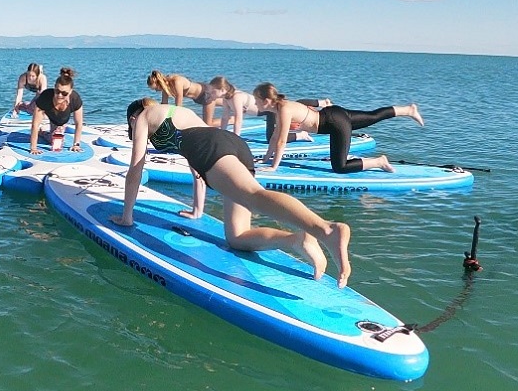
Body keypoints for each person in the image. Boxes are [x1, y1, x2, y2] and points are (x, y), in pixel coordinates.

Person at [111, 98, 353, 287]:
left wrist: (127, 217)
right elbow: (194, 161)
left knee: (253, 194)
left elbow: (136, 168)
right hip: (232, 143)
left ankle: (325, 229)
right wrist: (197, 210)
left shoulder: (142, 117)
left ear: (133, 117)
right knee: (237, 237)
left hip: (210, 148)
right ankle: (296, 239)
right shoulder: (177, 111)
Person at [253, 83, 424, 174]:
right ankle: (407, 110)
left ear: (266, 100)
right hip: (334, 114)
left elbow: (282, 141)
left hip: (334, 124)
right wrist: (266, 159)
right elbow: (275, 137)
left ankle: (379, 162)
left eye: (256, 100)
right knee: (373, 116)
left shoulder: (284, 109)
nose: (255, 103)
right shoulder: (281, 107)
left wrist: (274, 167)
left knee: (340, 167)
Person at [29, 67, 84, 155]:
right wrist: (33, 148)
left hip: (62, 119)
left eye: (64, 93)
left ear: (70, 92)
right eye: (57, 91)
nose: (59, 95)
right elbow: (35, 124)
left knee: (56, 138)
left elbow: (79, 123)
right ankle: (43, 131)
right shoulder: (45, 97)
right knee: (53, 137)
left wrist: (76, 144)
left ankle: (45, 132)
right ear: (54, 88)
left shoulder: (75, 99)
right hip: (49, 113)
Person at [146, 70, 221, 125]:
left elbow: (179, 105)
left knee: (208, 124)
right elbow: (164, 105)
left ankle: (232, 120)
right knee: (227, 103)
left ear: (160, 83)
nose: (156, 91)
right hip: (197, 99)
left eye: (156, 88)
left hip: (206, 93)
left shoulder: (176, 81)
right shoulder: (165, 89)